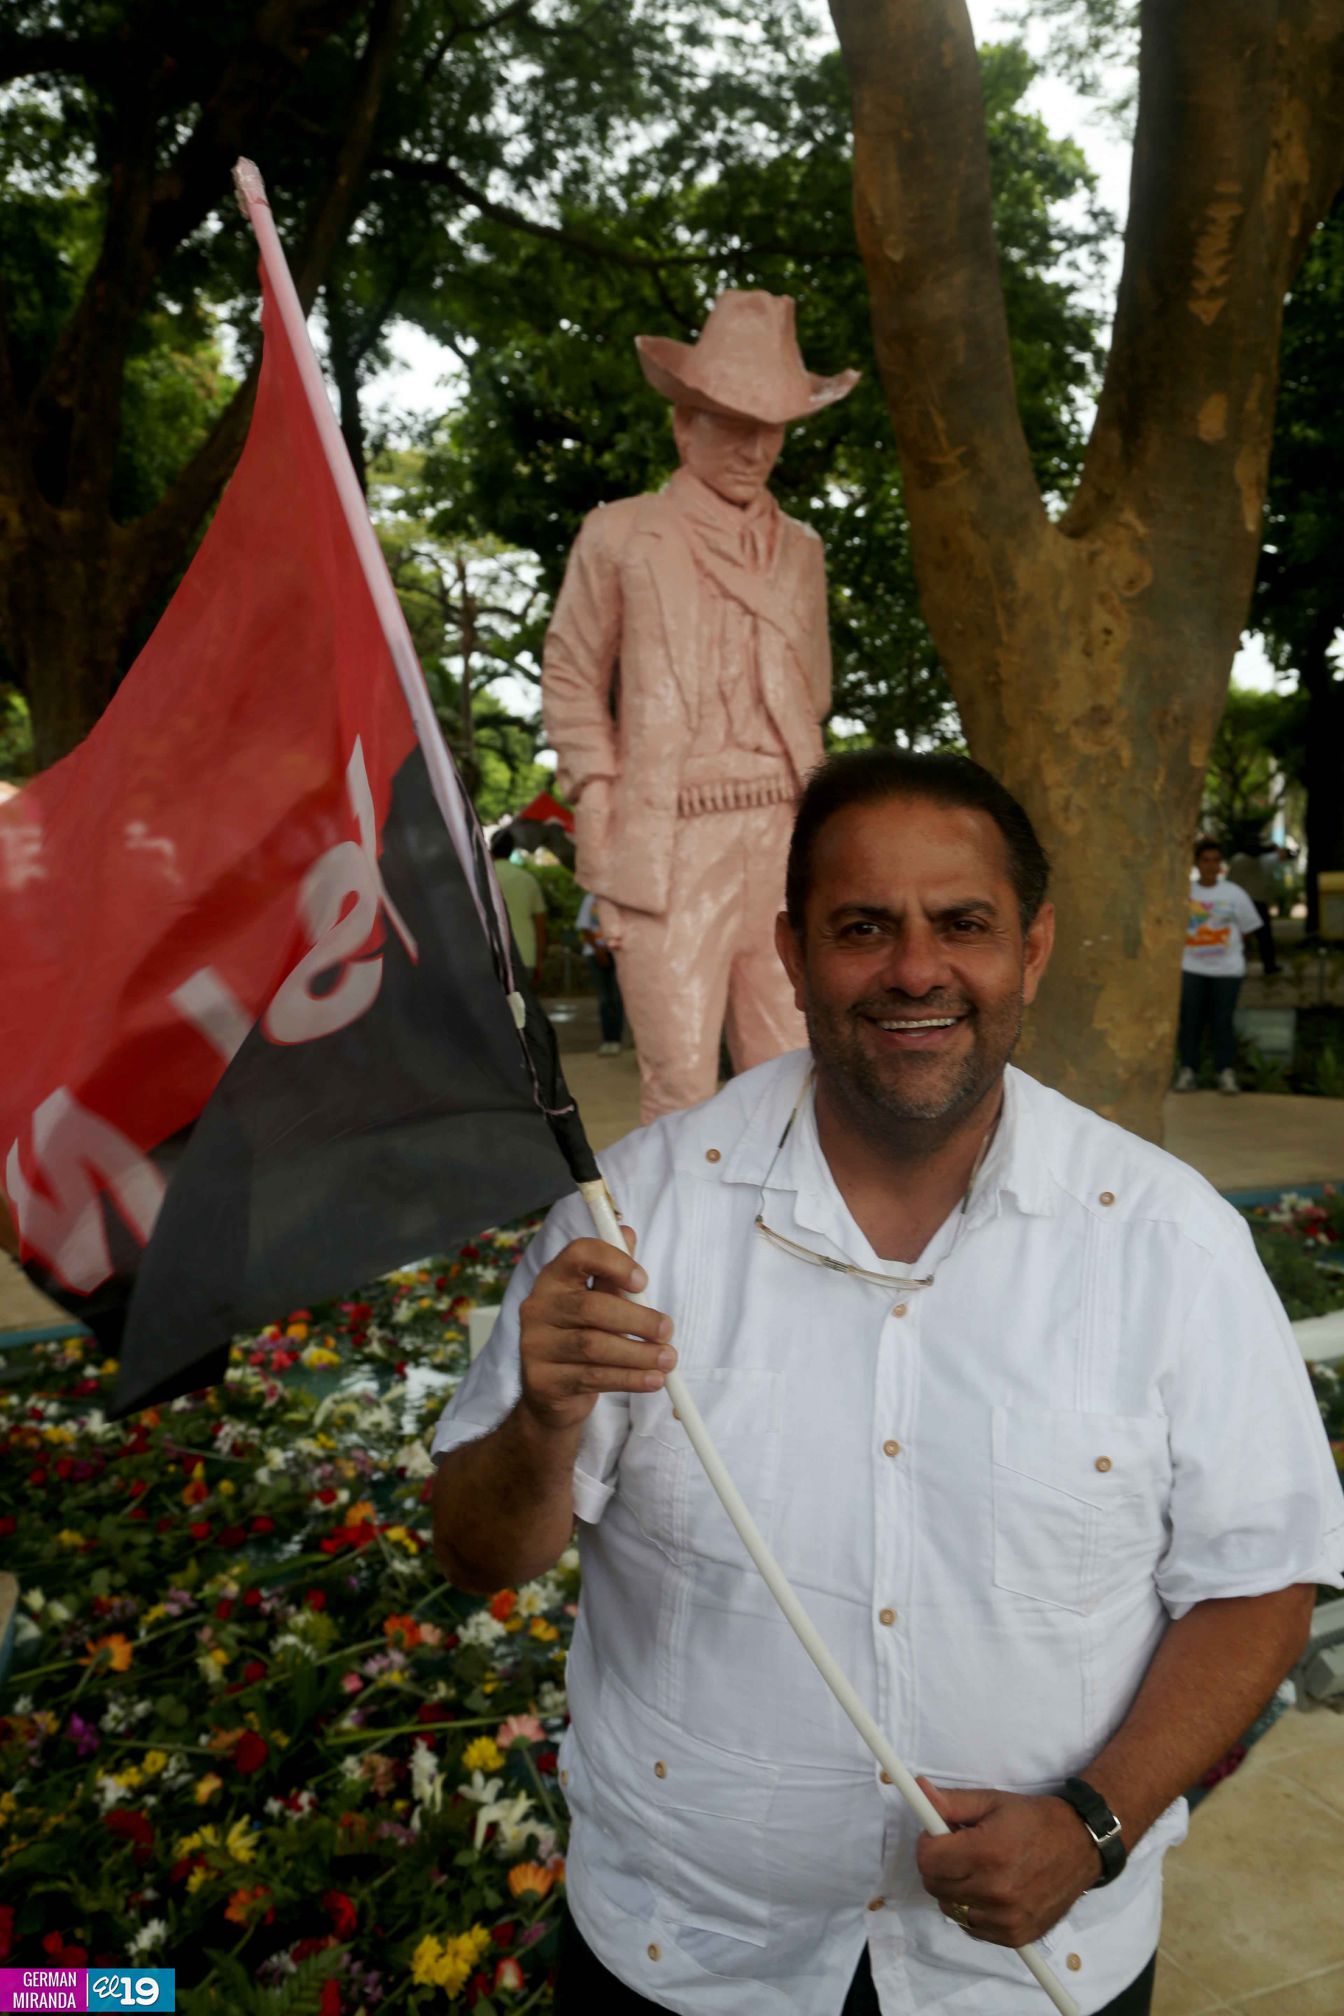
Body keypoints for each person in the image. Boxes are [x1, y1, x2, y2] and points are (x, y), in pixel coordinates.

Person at [432, 751, 1342, 2016]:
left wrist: (1096, 1825)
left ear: (1032, 947)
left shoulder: (1166, 1239)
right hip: (688, 1959)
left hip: (1027, 1978)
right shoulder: (635, 1221)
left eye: (960, 924)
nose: (916, 970)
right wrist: (541, 1421)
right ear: (793, 954)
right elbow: (482, 1555)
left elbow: (1260, 1583)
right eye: (864, 928)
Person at [543, 289, 859, 1124]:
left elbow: (814, 688)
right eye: (732, 422)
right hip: (668, 836)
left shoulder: (802, 550)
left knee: (792, 1077)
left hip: (787, 829)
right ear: (685, 425)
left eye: (772, 426)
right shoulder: (620, 534)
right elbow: (572, 677)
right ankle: (676, 1254)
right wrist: (602, 819)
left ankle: (779, 1247)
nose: (756, 448)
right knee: (680, 1083)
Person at [1177, 837, 1264, 1094]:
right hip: (1191, 967)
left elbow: (1249, 929)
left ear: (1221, 864)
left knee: (1222, 1022)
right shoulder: (1185, 892)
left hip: (1227, 971)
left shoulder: (1234, 893)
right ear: (1196, 863)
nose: (1211, 865)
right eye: (1205, 860)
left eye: (1215, 860)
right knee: (1189, 1021)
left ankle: (1224, 1072)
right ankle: (1188, 1071)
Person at [489, 829, 548, 987]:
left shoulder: (484, 877)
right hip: (525, 956)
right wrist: (539, 961)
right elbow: (540, 925)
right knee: (524, 1009)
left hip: (492, 956)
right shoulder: (527, 880)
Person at [577, 888, 624, 1056]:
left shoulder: (620, 898)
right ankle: (607, 1040)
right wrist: (598, 950)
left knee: (617, 998)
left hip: (617, 954)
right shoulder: (590, 899)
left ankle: (616, 1040)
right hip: (595, 954)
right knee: (604, 999)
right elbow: (584, 927)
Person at [1223, 841, 1281, 974]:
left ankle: (1238, 963)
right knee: (1264, 937)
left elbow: (1231, 880)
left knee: (1240, 936)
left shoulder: (1237, 860)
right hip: (1257, 902)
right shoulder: (1263, 861)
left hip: (1241, 902)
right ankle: (1269, 965)